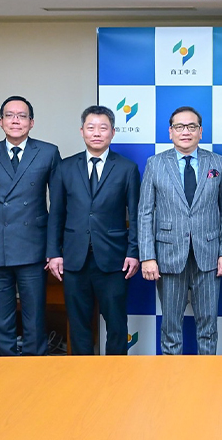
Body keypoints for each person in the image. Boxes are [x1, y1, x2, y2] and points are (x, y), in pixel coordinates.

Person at [0, 95, 61, 356]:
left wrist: (54, 249)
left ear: (32, 122)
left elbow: (58, 206)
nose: (16, 120)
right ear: (1, 122)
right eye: (10, 115)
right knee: (0, 318)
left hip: (34, 246)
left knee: (35, 317)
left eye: (22, 116)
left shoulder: (48, 152)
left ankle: (34, 367)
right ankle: (3, 369)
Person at [138, 106, 222, 355]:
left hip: (209, 256)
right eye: (179, 127)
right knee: (170, 327)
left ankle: (207, 375)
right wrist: (147, 257)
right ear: (170, 132)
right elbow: (145, 213)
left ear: (200, 132)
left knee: (208, 327)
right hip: (168, 256)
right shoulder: (155, 164)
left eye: (192, 127)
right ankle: (172, 377)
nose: (186, 132)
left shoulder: (217, 163)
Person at [47, 106, 140, 355]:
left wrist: (133, 252)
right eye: (91, 128)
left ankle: (116, 373)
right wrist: (54, 253)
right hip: (74, 259)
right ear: (82, 131)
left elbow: (136, 215)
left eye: (103, 128)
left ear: (113, 132)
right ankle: (83, 374)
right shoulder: (65, 167)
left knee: (117, 324)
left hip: (113, 259)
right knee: (78, 324)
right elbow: (56, 213)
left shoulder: (127, 168)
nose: (96, 133)